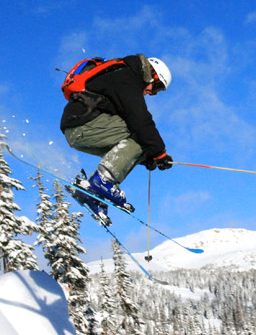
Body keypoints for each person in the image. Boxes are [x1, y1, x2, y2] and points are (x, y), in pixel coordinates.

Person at [60, 54, 173, 223]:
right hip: (84, 125)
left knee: (144, 144)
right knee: (141, 135)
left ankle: (92, 193)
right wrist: (159, 152)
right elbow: (140, 119)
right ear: (152, 75)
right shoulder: (127, 78)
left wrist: (148, 156)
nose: (151, 93)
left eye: (157, 92)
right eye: (156, 87)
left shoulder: (123, 76)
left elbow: (129, 141)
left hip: (79, 129)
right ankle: (103, 181)